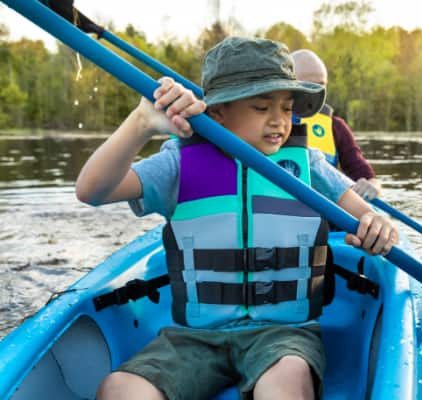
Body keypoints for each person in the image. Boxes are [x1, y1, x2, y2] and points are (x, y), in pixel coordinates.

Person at [75, 37, 398, 400]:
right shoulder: (179, 164)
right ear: (217, 113)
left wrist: (377, 227)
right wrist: (140, 125)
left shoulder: (309, 165)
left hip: (282, 335)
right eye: (262, 107)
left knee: (289, 377)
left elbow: (365, 214)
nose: (279, 120)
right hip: (195, 337)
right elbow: (92, 190)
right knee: (119, 387)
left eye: (287, 107)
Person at [291, 49, 381, 201]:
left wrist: (372, 185)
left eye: (321, 86)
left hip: (326, 212)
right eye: (307, 85)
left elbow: (366, 176)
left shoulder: (336, 126)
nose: (316, 93)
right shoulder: (268, 122)